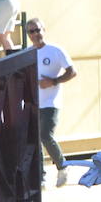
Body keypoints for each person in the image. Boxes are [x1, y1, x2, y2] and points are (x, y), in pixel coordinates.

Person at [26, 17, 77, 187]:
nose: (35, 34)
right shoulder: (27, 53)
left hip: (51, 102)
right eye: (31, 31)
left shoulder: (55, 51)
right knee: (35, 139)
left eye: (38, 30)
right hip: (33, 102)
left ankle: (63, 166)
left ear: (44, 30)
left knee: (45, 135)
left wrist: (54, 81)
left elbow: (72, 71)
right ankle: (41, 177)